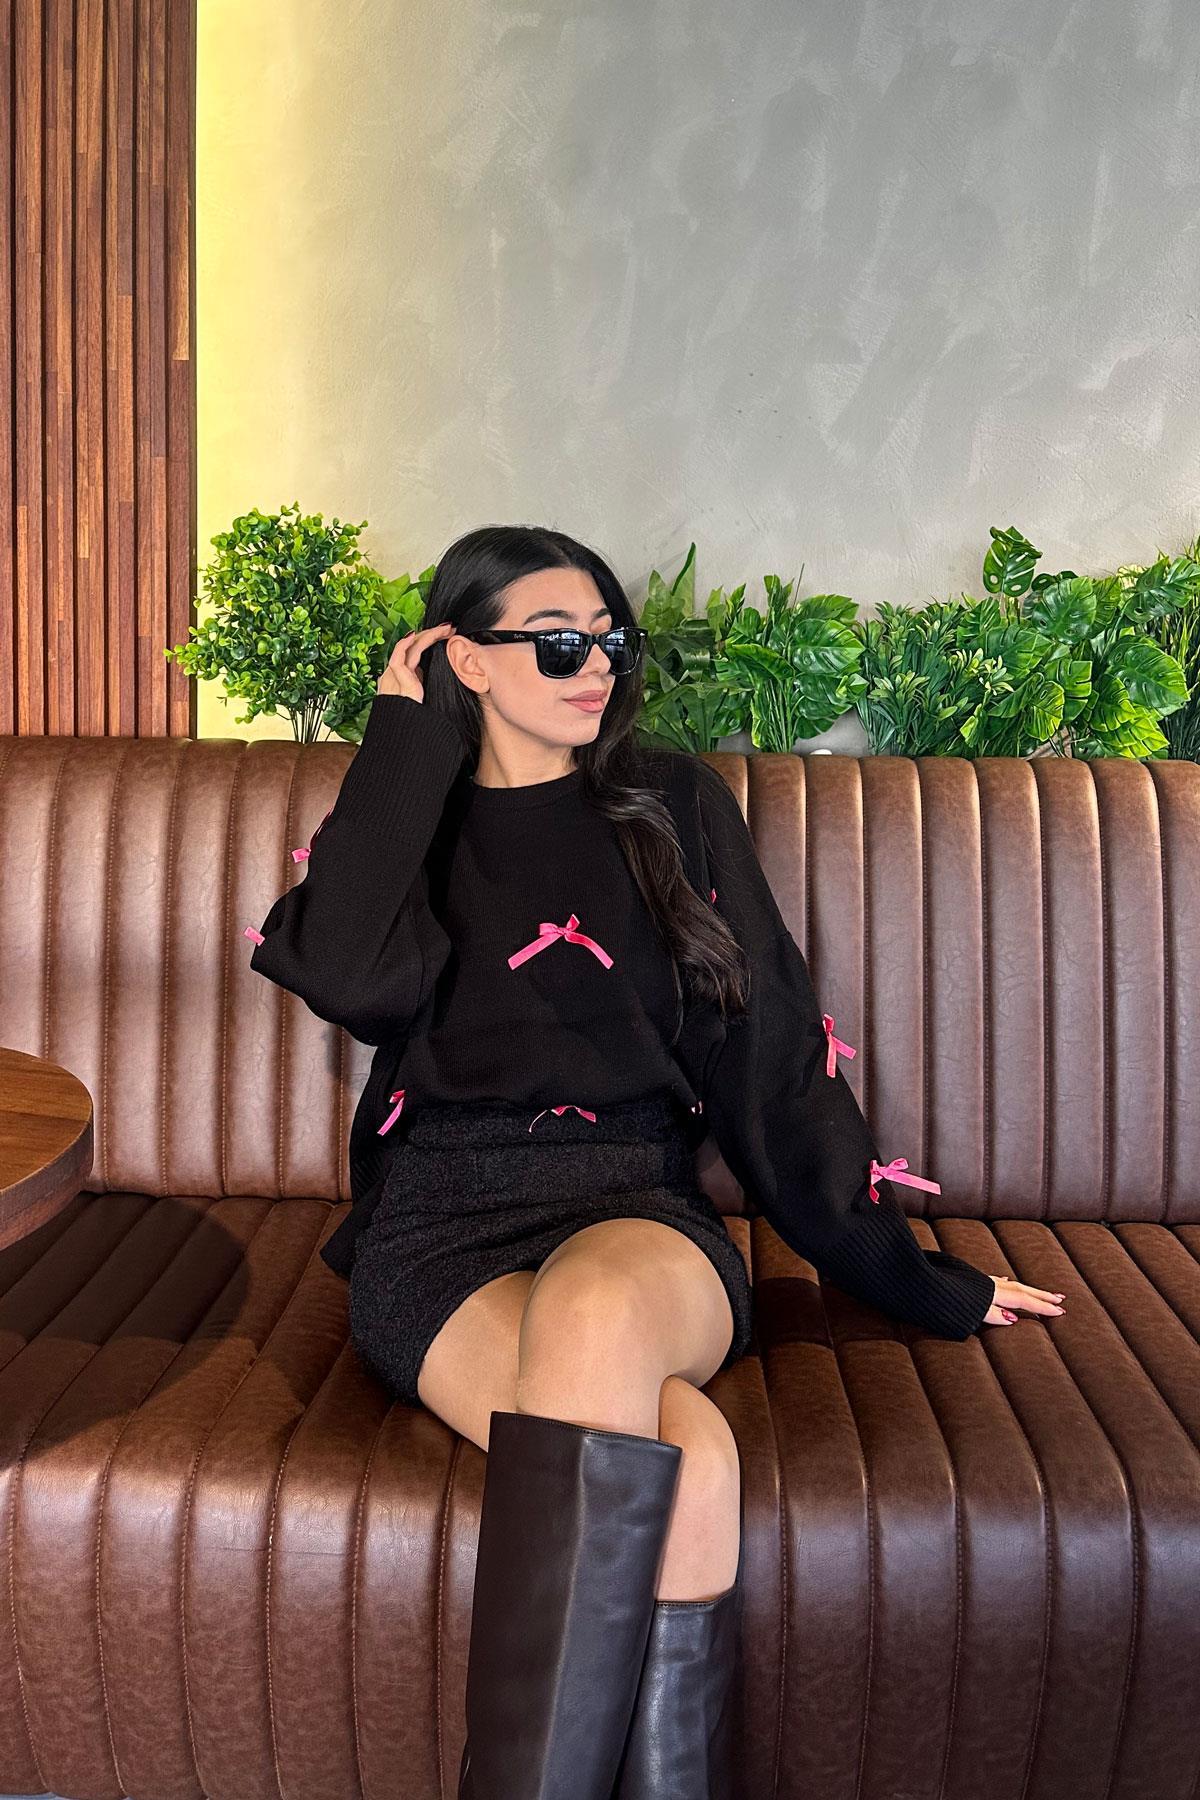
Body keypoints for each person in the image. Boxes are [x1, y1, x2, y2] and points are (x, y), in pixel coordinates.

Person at [244, 523, 1066, 1800]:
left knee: (598, 1310)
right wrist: (400, 743)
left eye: (609, 643)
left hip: (635, 1205)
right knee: (691, 1468)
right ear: (464, 656)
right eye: (557, 644)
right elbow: (348, 977)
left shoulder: (671, 805)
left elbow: (771, 1056)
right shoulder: (410, 819)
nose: (596, 669)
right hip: (437, 1233)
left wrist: (911, 1276)